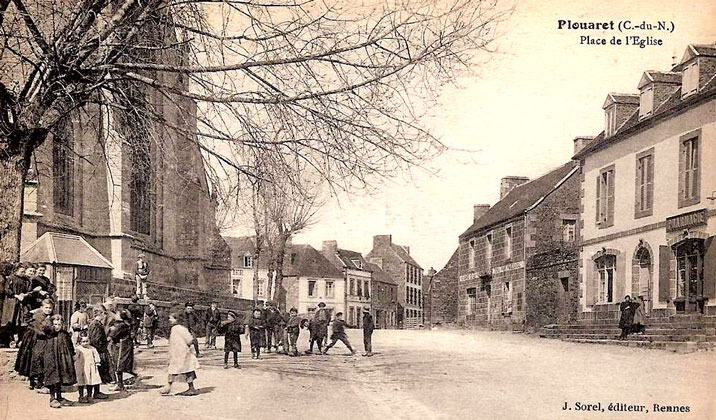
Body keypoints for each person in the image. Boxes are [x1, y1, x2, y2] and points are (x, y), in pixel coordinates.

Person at [15, 298, 53, 391]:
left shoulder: (47, 316)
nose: (48, 309)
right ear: (42, 307)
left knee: (35, 360)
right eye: (46, 307)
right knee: (35, 359)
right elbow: (41, 329)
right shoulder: (39, 315)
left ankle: (34, 382)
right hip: (34, 339)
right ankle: (36, 383)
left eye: (50, 308)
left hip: (38, 338)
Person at [161, 306, 200, 396]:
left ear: (176, 319)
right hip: (179, 352)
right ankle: (189, 387)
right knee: (185, 369)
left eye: (171, 318)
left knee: (179, 369)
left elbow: (189, 340)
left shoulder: (179, 329)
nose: (169, 320)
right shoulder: (177, 328)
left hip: (181, 353)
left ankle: (169, 387)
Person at [43, 314, 76, 408]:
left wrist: (73, 355)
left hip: (62, 360)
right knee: (53, 378)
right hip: (52, 359)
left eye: (59, 324)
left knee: (60, 378)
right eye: (55, 324)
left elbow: (70, 345)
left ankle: (60, 397)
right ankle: (53, 398)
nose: (57, 327)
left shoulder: (64, 334)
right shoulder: (49, 335)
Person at [88, 304, 113, 395]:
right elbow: (95, 340)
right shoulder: (95, 324)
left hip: (99, 350)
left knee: (98, 372)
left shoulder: (97, 324)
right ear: (101, 313)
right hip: (98, 351)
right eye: (104, 313)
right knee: (97, 372)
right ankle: (95, 393)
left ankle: (97, 391)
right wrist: (104, 342)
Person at [108, 309, 134, 395]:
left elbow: (112, 336)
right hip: (126, 345)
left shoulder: (120, 325)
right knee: (121, 364)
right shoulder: (126, 324)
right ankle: (120, 383)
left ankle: (120, 384)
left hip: (121, 346)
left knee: (118, 364)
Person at [74, 332, 102, 404]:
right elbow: (75, 358)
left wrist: (97, 362)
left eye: (87, 341)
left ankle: (89, 395)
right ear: (79, 342)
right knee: (81, 383)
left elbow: (96, 355)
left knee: (90, 382)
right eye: (83, 341)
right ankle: (81, 396)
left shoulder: (92, 348)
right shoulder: (78, 349)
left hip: (90, 367)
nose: (86, 343)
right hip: (82, 368)